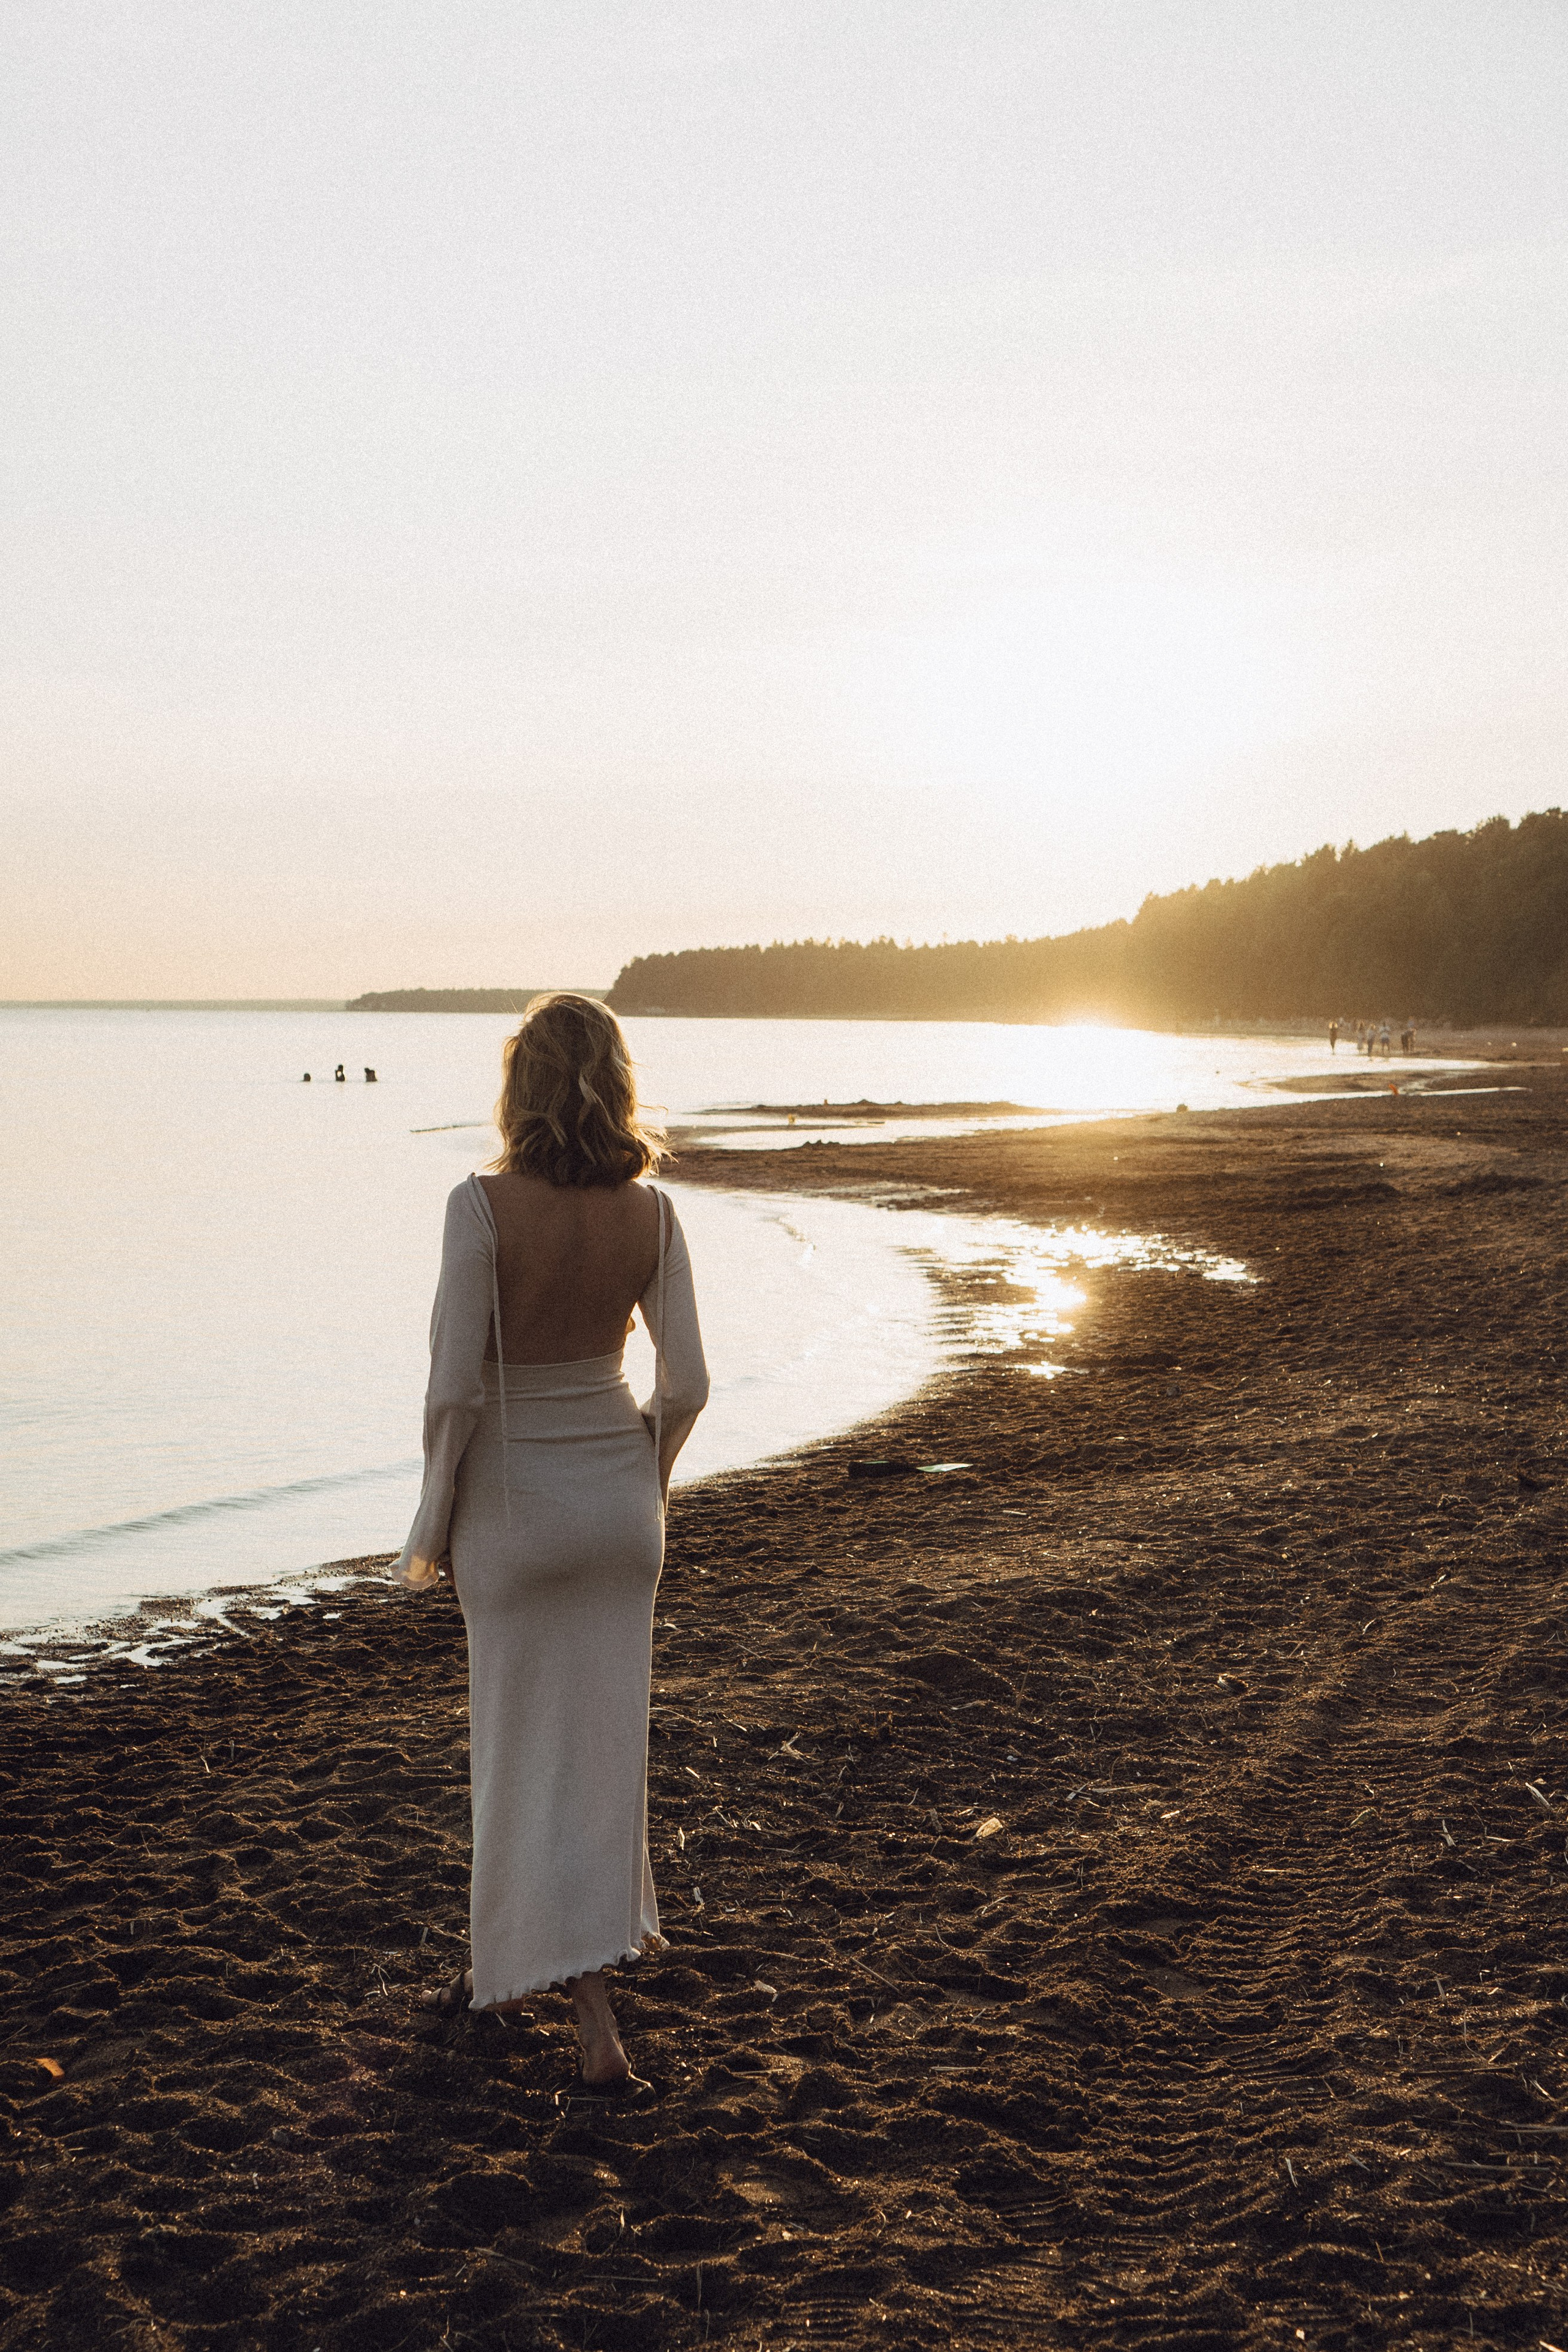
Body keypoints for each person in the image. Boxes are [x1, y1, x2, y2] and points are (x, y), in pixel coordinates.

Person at [396, 993, 708, 2090]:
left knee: (516, 1748)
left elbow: (452, 1394)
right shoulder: (654, 1215)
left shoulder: (478, 1208)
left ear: (518, 1087)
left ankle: (558, 1994)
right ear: (616, 1080)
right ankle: (577, 2002)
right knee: (603, 1757)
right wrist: (642, 1485)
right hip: (619, 1514)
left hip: (517, 1510)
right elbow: (688, 1385)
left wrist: (431, 1526)